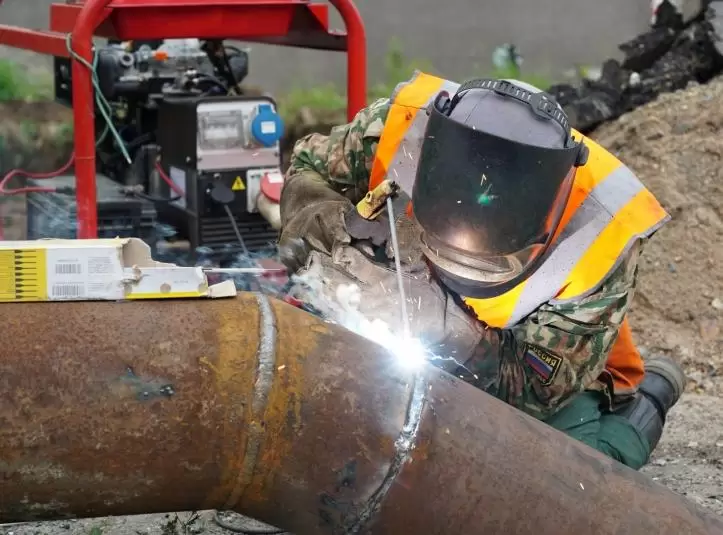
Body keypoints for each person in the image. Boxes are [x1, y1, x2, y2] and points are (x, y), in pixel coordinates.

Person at [277, 72, 686, 470]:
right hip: (398, 308)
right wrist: (326, 226)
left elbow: (532, 392)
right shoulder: (400, 126)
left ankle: (651, 396)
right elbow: (310, 167)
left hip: (544, 359)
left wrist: (444, 326)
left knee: (558, 477)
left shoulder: (604, 230)